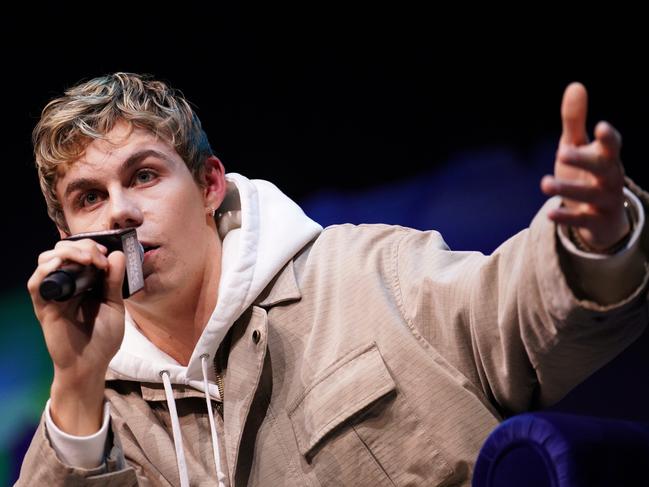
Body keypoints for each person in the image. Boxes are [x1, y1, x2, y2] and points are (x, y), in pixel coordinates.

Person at [17, 72, 648, 486]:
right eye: (90, 196)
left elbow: (516, 310)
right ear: (70, 236)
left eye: (145, 176)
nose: (120, 210)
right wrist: (75, 383)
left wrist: (593, 241)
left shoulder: (368, 278)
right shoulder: (98, 411)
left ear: (210, 186)